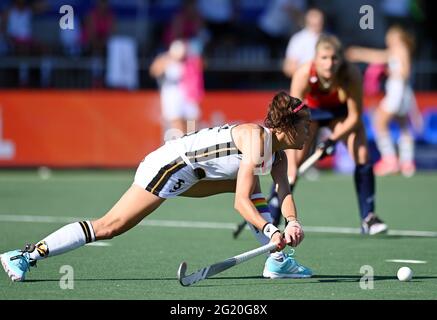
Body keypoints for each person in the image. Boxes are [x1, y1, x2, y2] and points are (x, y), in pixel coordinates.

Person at [1, 91, 313, 282]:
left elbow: (283, 192)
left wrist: (293, 222)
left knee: (255, 187)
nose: (310, 131)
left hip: (193, 173)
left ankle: (277, 261)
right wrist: (273, 232)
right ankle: (25, 256)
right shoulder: (258, 141)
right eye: (306, 125)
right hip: (170, 165)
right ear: (287, 126)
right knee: (110, 226)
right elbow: (242, 203)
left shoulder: (278, 157)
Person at [269, 34, 388, 235]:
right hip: (309, 114)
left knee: (362, 155)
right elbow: (294, 114)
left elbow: (355, 117)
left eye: (334, 58)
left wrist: (332, 140)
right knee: (292, 165)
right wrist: (301, 143)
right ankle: (272, 217)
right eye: (324, 58)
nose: (329, 63)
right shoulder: (304, 73)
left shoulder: (350, 75)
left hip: (340, 115)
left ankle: (368, 218)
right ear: (315, 58)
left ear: (341, 59)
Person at [346, 25, 419, 177]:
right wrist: (359, 53)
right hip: (403, 93)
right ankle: (407, 163)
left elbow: (405, 72)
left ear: (397, 38)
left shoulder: (400, 49)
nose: (388, 39)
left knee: (379, 122)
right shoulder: (397, 51)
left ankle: (389, 159)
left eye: (390, 37)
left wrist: (388, 71)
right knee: (404, 126)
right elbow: (378, 56)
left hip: (397, 92)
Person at [150, 39, 204, 140]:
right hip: (172, 93)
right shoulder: (166, 59)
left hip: (188, 93)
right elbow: (154, 71)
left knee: (191, 120)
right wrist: (166, 61)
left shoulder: (190, 61)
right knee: (176, 120)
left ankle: (191, 142)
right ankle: (181, 143)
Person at [282, 7, 324, 78]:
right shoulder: (298, 39)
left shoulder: (328, 38)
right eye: (313, 17)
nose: (316, 22)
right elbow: (288, 67)